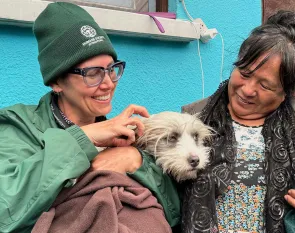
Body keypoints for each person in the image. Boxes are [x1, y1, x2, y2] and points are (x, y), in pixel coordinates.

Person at [0, 2, 175, 232]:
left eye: (112, 69)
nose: (108, 83)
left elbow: (174, 214)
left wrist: (135, 160)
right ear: (56, 82)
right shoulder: (17, 126)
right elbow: (6, 211)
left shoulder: (125, 135)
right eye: (92, 74)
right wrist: (83, 138)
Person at [177, 10, 295, 233]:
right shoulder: (193, 118)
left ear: (286, 92)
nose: (247, 90)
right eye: (245, 73)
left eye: (265, 86)